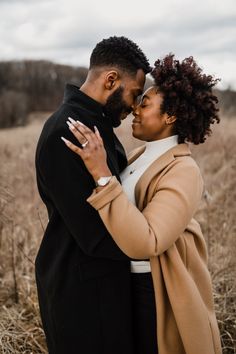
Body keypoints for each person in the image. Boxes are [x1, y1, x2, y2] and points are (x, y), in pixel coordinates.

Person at [62, 54, 222, 354]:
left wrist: (103, 175)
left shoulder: (183, 170)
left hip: (156, 293)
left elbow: (147, 242)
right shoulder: (139, 156)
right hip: (125, 286)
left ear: (170, 116)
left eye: (145, 103)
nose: (135, 107)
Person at [35, 36, 151, 354]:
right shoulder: (68, 130)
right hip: (82, 298)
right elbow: (95, 234)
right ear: (111, 79)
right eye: (135, 93)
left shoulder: (96, 124)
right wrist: (155, 243)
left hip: (103, 289)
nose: (135, 105)